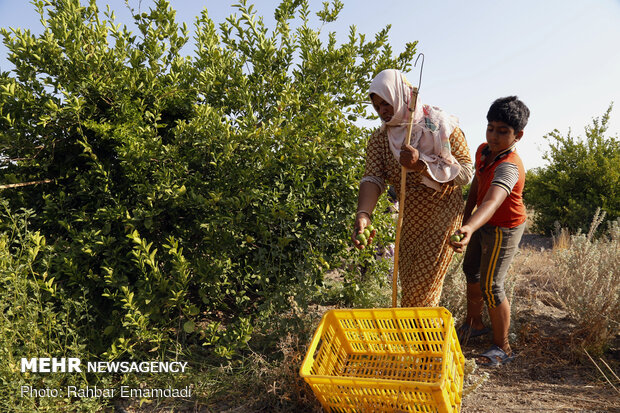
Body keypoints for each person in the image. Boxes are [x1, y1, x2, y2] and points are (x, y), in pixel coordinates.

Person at [352, 68, 473, 307]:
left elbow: (467, 173)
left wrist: (421, 165)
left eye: (386, 103)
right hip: (409, 222)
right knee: (409, 290)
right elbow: (372, 178)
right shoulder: (380, 139)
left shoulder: (439, 125)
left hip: (442, 217)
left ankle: (423, 343)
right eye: (377, 107)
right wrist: (363, 214)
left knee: (422, 293)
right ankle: (424, 340)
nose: (383, 111)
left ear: (400, 96)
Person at [449, 96, 530, 367]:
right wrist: (465, 217)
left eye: (503, 131)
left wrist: (470, 226)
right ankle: (475, 324)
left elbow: (494, 200)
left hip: (504, 227)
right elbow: (477, 185)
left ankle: (503, 346)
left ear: (518, 135)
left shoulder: (509, 166)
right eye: (490, 128)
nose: (494, 136)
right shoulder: (484, 151)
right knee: (470, 270)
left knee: (491, 285)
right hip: (480, 222)